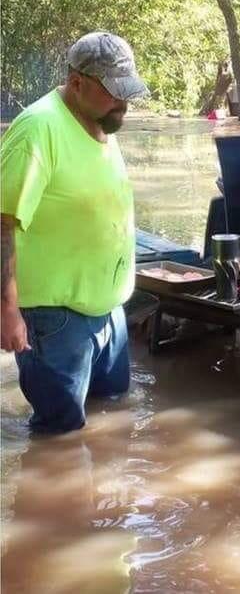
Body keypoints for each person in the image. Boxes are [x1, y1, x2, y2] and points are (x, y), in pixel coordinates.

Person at [1, 31, 149, 433]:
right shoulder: (38, 129)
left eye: (127, 92)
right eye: (114, 92)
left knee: (113, 416)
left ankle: (101, 497)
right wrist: (7, 309)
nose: (124, 103)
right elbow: (3, 223)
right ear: (77, 82)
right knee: (58, 439)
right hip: (55, 321)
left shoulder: (100, 119)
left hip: (108, 312)